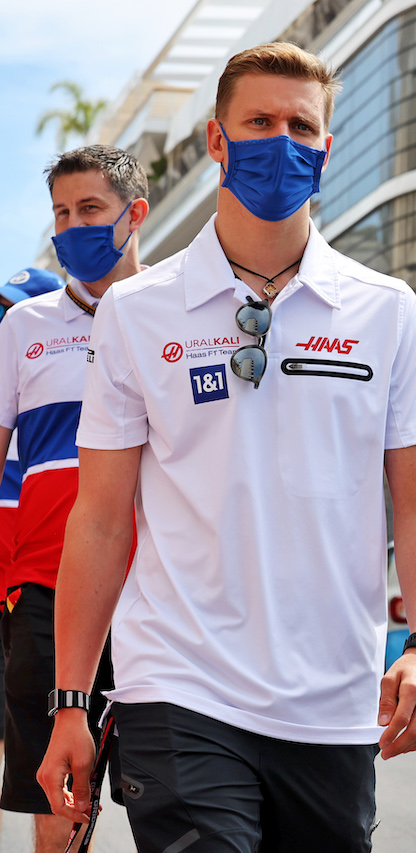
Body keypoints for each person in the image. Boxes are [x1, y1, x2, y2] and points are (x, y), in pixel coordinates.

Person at [38, 42, 416, 852]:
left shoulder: (386, 311)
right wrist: (69, 702)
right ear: (216, 141)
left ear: (326, 148)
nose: (282, 141)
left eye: (301, 125)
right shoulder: (137, 312)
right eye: (259, 121)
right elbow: (99, 520)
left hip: (333, 709)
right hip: (179, 687)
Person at [0, 147, 148, 853]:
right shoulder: (22, 329)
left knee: (172, 796)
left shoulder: (177, 316)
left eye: (90, 209)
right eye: (62, 213)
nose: (73, 226)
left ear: (133, 214)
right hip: (43, 593)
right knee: (58, 803)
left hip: (159, 592)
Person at [0, 266, 65, 844]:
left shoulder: (57, 415)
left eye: (13, 309)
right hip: (16, 604)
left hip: (34, 600)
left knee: (58, 787)